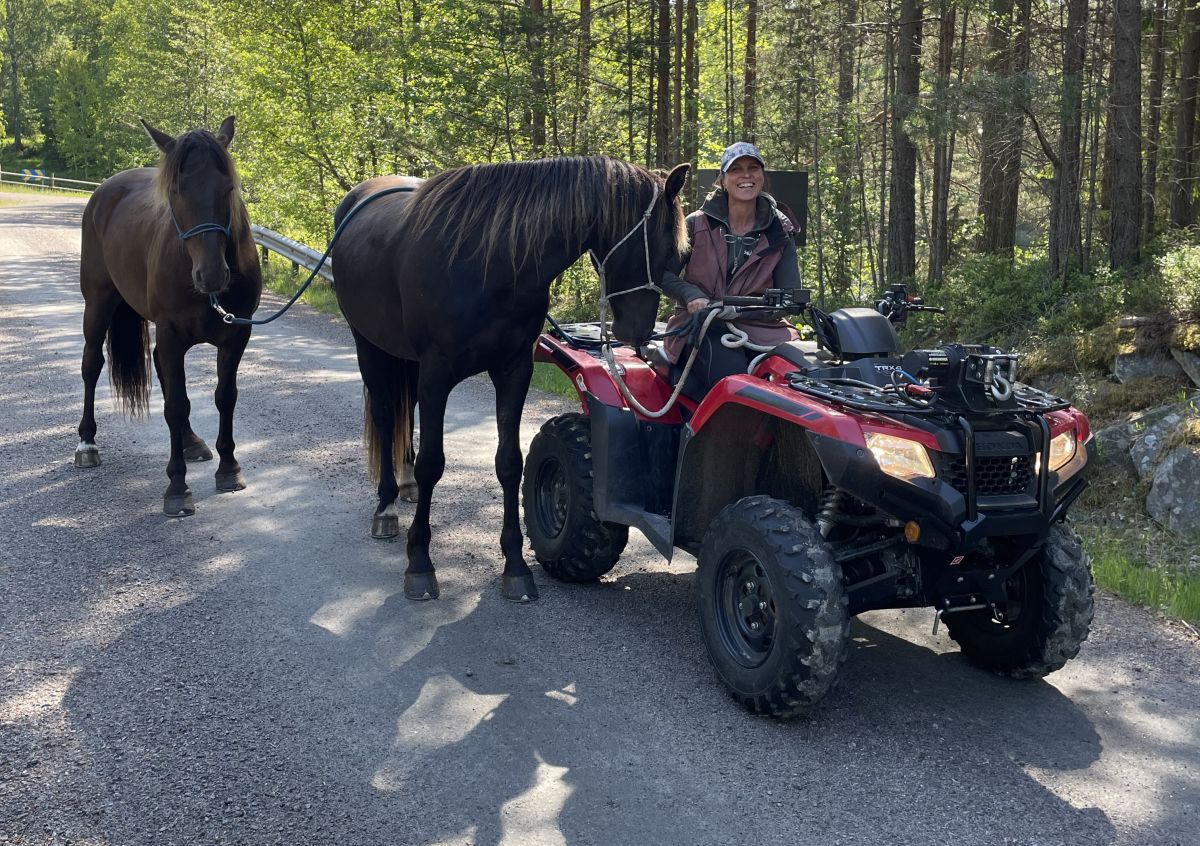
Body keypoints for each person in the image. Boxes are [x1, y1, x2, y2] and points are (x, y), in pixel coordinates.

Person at [660, 141, 802, 400]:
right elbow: (664, 274)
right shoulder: (696, 224)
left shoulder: (781, 231)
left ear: (762, 176)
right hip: (701, 326)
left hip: (764, 330)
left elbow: (790, 297)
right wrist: (691, 295)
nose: (746, 175)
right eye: (736, 169)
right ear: (723, 180)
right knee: (736, 383)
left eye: (753, 168)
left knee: (803, 374)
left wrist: (741, 310)